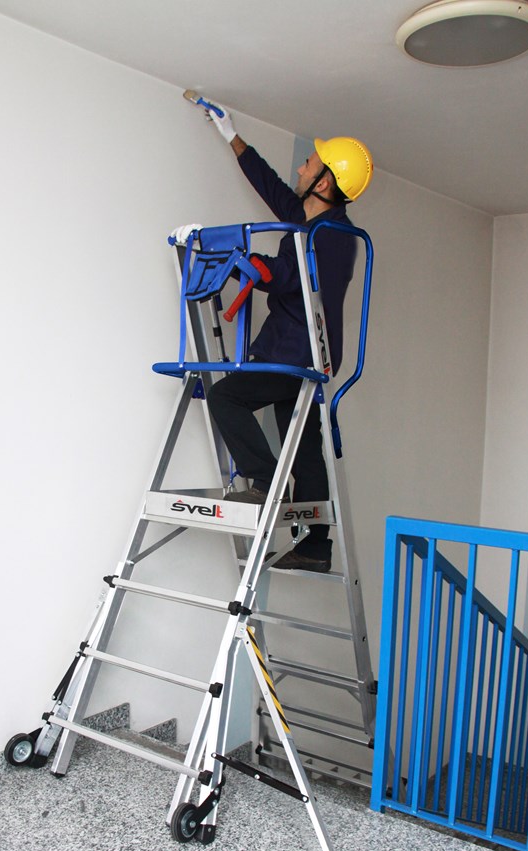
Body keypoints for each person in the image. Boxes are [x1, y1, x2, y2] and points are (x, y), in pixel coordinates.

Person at [180, 100, 373, 572]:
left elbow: (289, 276)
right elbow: (273, 189)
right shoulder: (315, 221)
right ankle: (317, 547)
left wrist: (234, 258)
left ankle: (266, 482)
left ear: (323, 183)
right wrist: (231, 136)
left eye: (309, 163)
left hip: (297, 352)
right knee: (302, 444)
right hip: (300, 352)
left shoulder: (331, 237)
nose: (301, 168)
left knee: (226, 397)